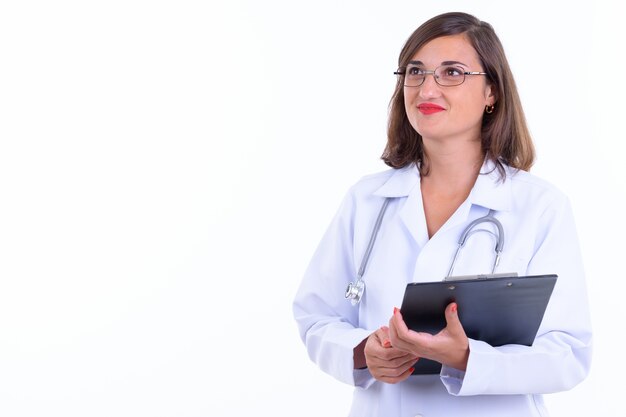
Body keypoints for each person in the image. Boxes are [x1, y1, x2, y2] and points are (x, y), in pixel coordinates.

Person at [292, 11, 592, 417]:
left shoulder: (539, 207)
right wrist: (363, 353)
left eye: (451, 72)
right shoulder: (367, 200)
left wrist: (470, 359)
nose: (426, 87)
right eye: (415, 71)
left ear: (492, 92)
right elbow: (316, 316)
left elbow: (568, 353)